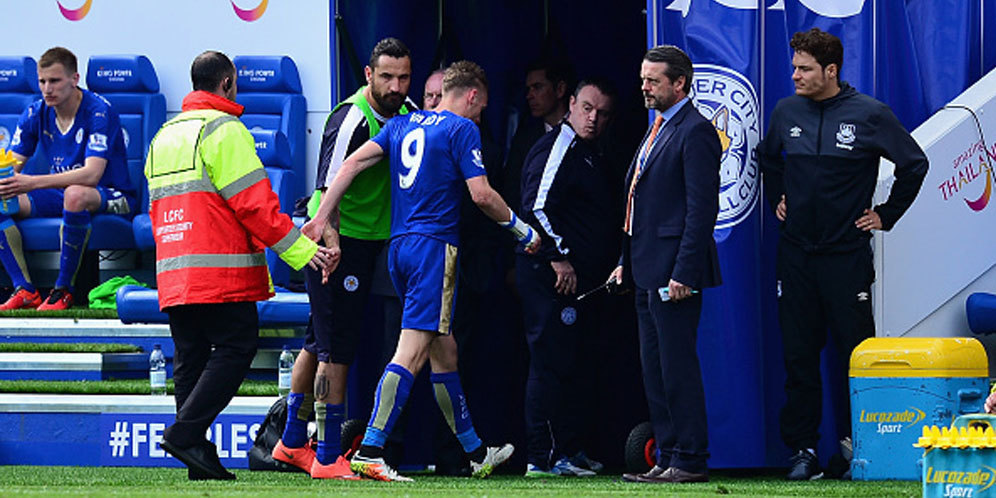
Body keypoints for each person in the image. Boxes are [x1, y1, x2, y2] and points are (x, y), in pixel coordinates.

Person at [303, 60, 541, 482]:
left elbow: (350, 165)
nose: (479, 115)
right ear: (471, 96)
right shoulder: (461, 129)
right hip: (434, 249)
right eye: (481, 106)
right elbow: (482, 195)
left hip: (398, 250)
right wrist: (523, 232)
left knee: (443, 352)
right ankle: (372, 448)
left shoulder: (402, 125)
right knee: (410, 353)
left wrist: (321, 218)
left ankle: (475, 452)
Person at [147, 50, 334, 480]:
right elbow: (257, 208)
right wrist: (306, 254)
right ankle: (186, 433)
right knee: (237, 346)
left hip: (174, 269)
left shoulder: (164, 135)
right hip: (220, 271)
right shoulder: (225, 130)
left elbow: (158, 211)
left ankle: (195, 455)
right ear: (228, 82)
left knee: (190, 357)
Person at [757, 27, 928, 481]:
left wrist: (886, 215)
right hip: (795, 257)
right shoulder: (785, 111)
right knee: (798, 356)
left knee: (856, 355)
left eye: (804, 69)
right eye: (793, 67)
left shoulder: (869, 114)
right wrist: (779, 195)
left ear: (830, 71)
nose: (794, 75)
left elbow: (915, 163)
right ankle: (803, 451)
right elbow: (768, 158)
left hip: (845, 258)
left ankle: (862, 445)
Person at [271, 37, 415, 480]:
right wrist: (329, 243)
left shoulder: (409, 115)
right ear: (369, 75)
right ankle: (329, 455)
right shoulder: (351, 116)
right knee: (336, 350)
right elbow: (323, 187)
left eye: (403, 77)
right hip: (338, 242)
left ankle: (292, 443)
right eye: (387, 76)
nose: (395, 85)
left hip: (377, 241)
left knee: (318, 341)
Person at [611, 45, 722, 484]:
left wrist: (684, 272)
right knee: (654, 368)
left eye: (653, 80)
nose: (644, 86)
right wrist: (624, 262)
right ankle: (668, 456)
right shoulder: (656, 128)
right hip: (643, 267)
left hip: (673, 270)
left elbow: (701, 211)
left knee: (677, 367)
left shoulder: (695, 132)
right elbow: (637, 202)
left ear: (680, 83)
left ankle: (690, 458)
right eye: (643, 78)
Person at [517, 79, 616, 477]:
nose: (594, 119)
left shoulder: (590, 153)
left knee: (575, 363)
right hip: (549, 279)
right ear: (571, 103)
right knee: (550, 364)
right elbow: (535, 208)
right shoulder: (558, 146)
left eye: (603, 113)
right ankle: (542, 457)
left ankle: (570, 450)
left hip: (583, 283)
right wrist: (558, 258)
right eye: (588, 108)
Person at [0, 47, 136, 310]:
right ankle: (25, 289)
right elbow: (12, 165)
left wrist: (30, 182)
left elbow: (92, 174)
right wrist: (6, 180)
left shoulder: (99, 111)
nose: (47, 89)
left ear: (74, 79)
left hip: (112, 193)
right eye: (42, 81)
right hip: (61, 191)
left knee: (75, 193)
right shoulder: (35, 112)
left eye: (55, 81)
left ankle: (63, 290)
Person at [502, 59, 572, 215]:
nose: (529, 96)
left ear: (560, 89)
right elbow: (511, 189)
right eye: (528, 89)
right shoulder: (525, 138)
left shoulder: (583, 131)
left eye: (538, 87)